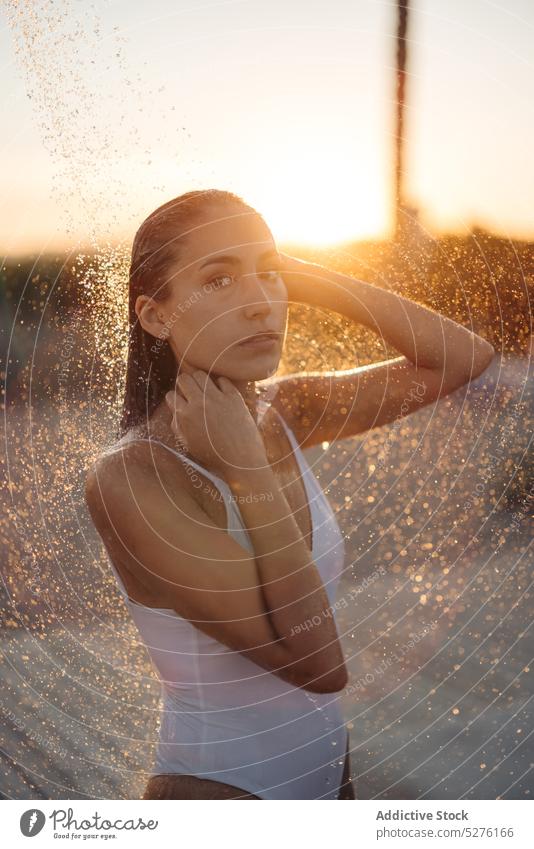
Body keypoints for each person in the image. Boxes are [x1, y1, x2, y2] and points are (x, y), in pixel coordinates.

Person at [84, 189, 495, 799]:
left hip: (331, 778)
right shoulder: (132, 479)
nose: (259, 303)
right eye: (219, 279)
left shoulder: (287, 411)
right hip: (222, 794)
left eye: (269, 276)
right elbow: (318, 665)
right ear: (155, 315)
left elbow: (465, 357)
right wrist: (249, 472)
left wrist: (303, 275)